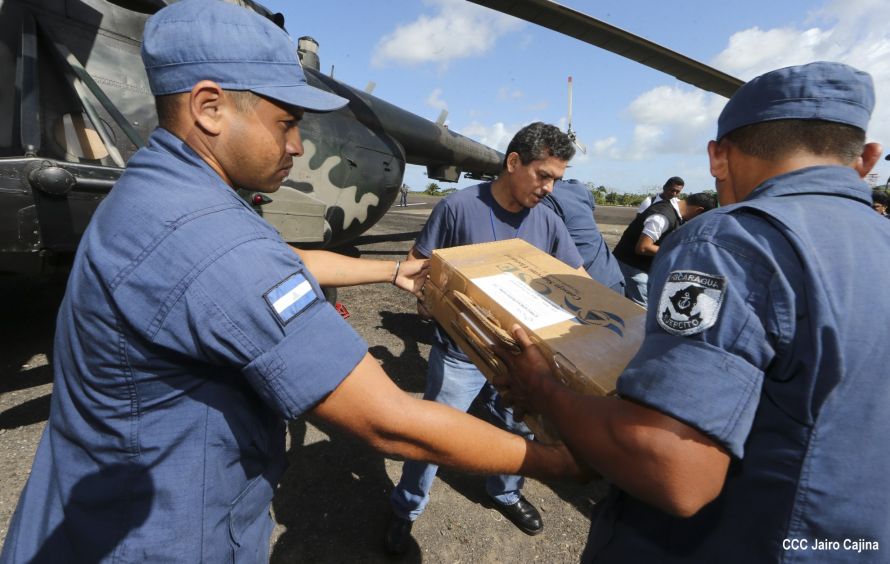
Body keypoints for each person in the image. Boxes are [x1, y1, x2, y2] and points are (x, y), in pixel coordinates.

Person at [0, 3, 583, 562]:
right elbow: (387, 420)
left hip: (82, 518)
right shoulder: (215, 241)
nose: (298, 145)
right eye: (286, 122)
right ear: (209, 108)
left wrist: (389, 269)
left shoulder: (156, 191)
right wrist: (559, 460)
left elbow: (280, 261)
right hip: (163, 540)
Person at [494, 61, 888, 563]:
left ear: (718, 158)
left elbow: (671, 468)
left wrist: (541, 389)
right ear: (867, 157)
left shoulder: (733, 242)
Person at [385, 122, 586, 554]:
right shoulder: (458, 208)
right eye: (543, 175)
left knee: (520, 428)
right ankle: (405, 508)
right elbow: (417, 265)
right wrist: (429, 299)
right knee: (434, 434)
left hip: (518, 356)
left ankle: (505, 491)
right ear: (514, 162)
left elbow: (578, 281)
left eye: (557, 179)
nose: (550, 188)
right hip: (459, 353)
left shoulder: (547, 221)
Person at [612, 192, 717, 306]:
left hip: (642, 268)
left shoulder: (674, 214)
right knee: (642, 311)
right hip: (631, 267)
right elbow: (643, 247)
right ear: (698, 210)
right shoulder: (663, 216)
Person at [541, 178, 625, 294]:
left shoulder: (544, 198)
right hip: (612, 273)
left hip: (589, 283)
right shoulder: (577, 186)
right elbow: (591, 207)